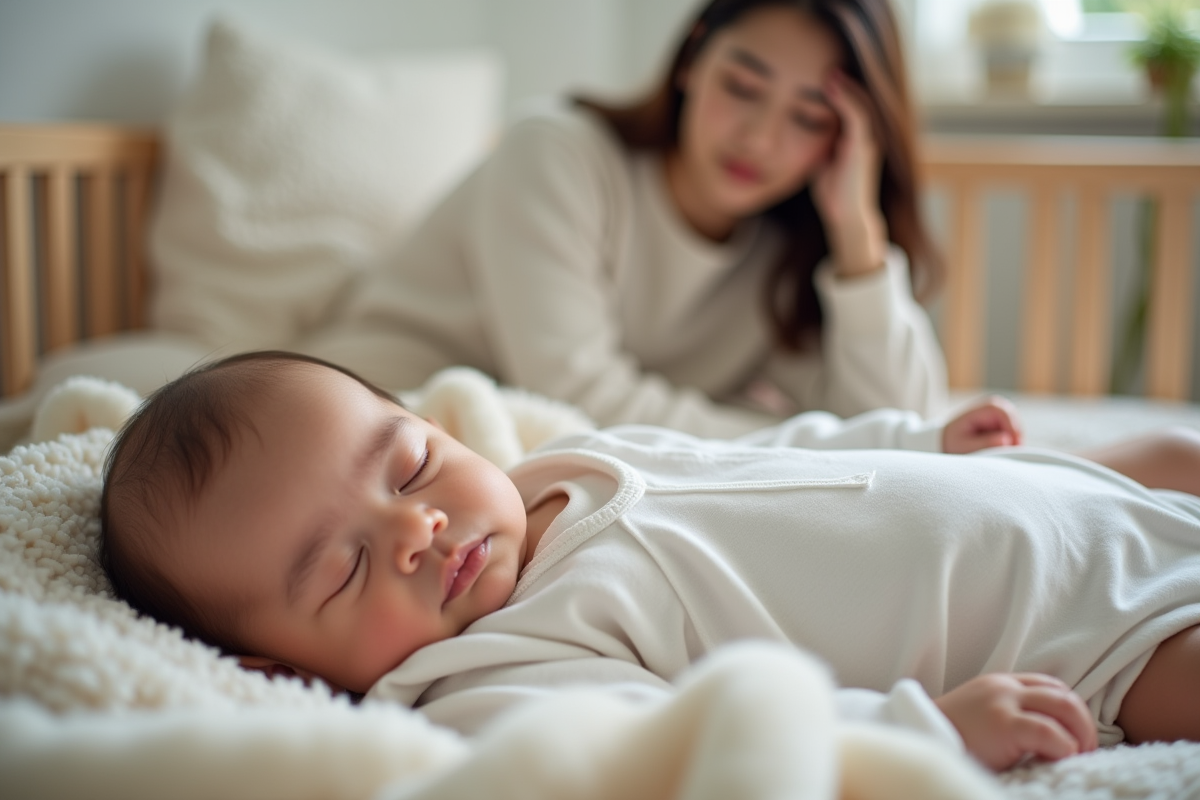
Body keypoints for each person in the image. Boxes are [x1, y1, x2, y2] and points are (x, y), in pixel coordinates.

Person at [99, 351, 1200, 772]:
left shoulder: (563, 469)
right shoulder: (493, 678)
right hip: (1082, 637)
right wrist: (927, 730)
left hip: (1059, 497)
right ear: (280, 670)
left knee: (1172, 453)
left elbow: (756, 456)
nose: (417, 530)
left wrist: (912, 440)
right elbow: (690, 752)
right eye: (339, 572)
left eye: (413, 465)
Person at [304, 0, 948, 438]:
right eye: (742, 88)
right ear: (693, 60)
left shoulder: (786, 248)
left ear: (846, 139)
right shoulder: (556, 152)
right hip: (370, 410)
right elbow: (577, 393)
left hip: (506, 468)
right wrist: (804, 443)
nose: (759, 138)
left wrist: (857, 232)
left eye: (809, 118)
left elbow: (899, 430)